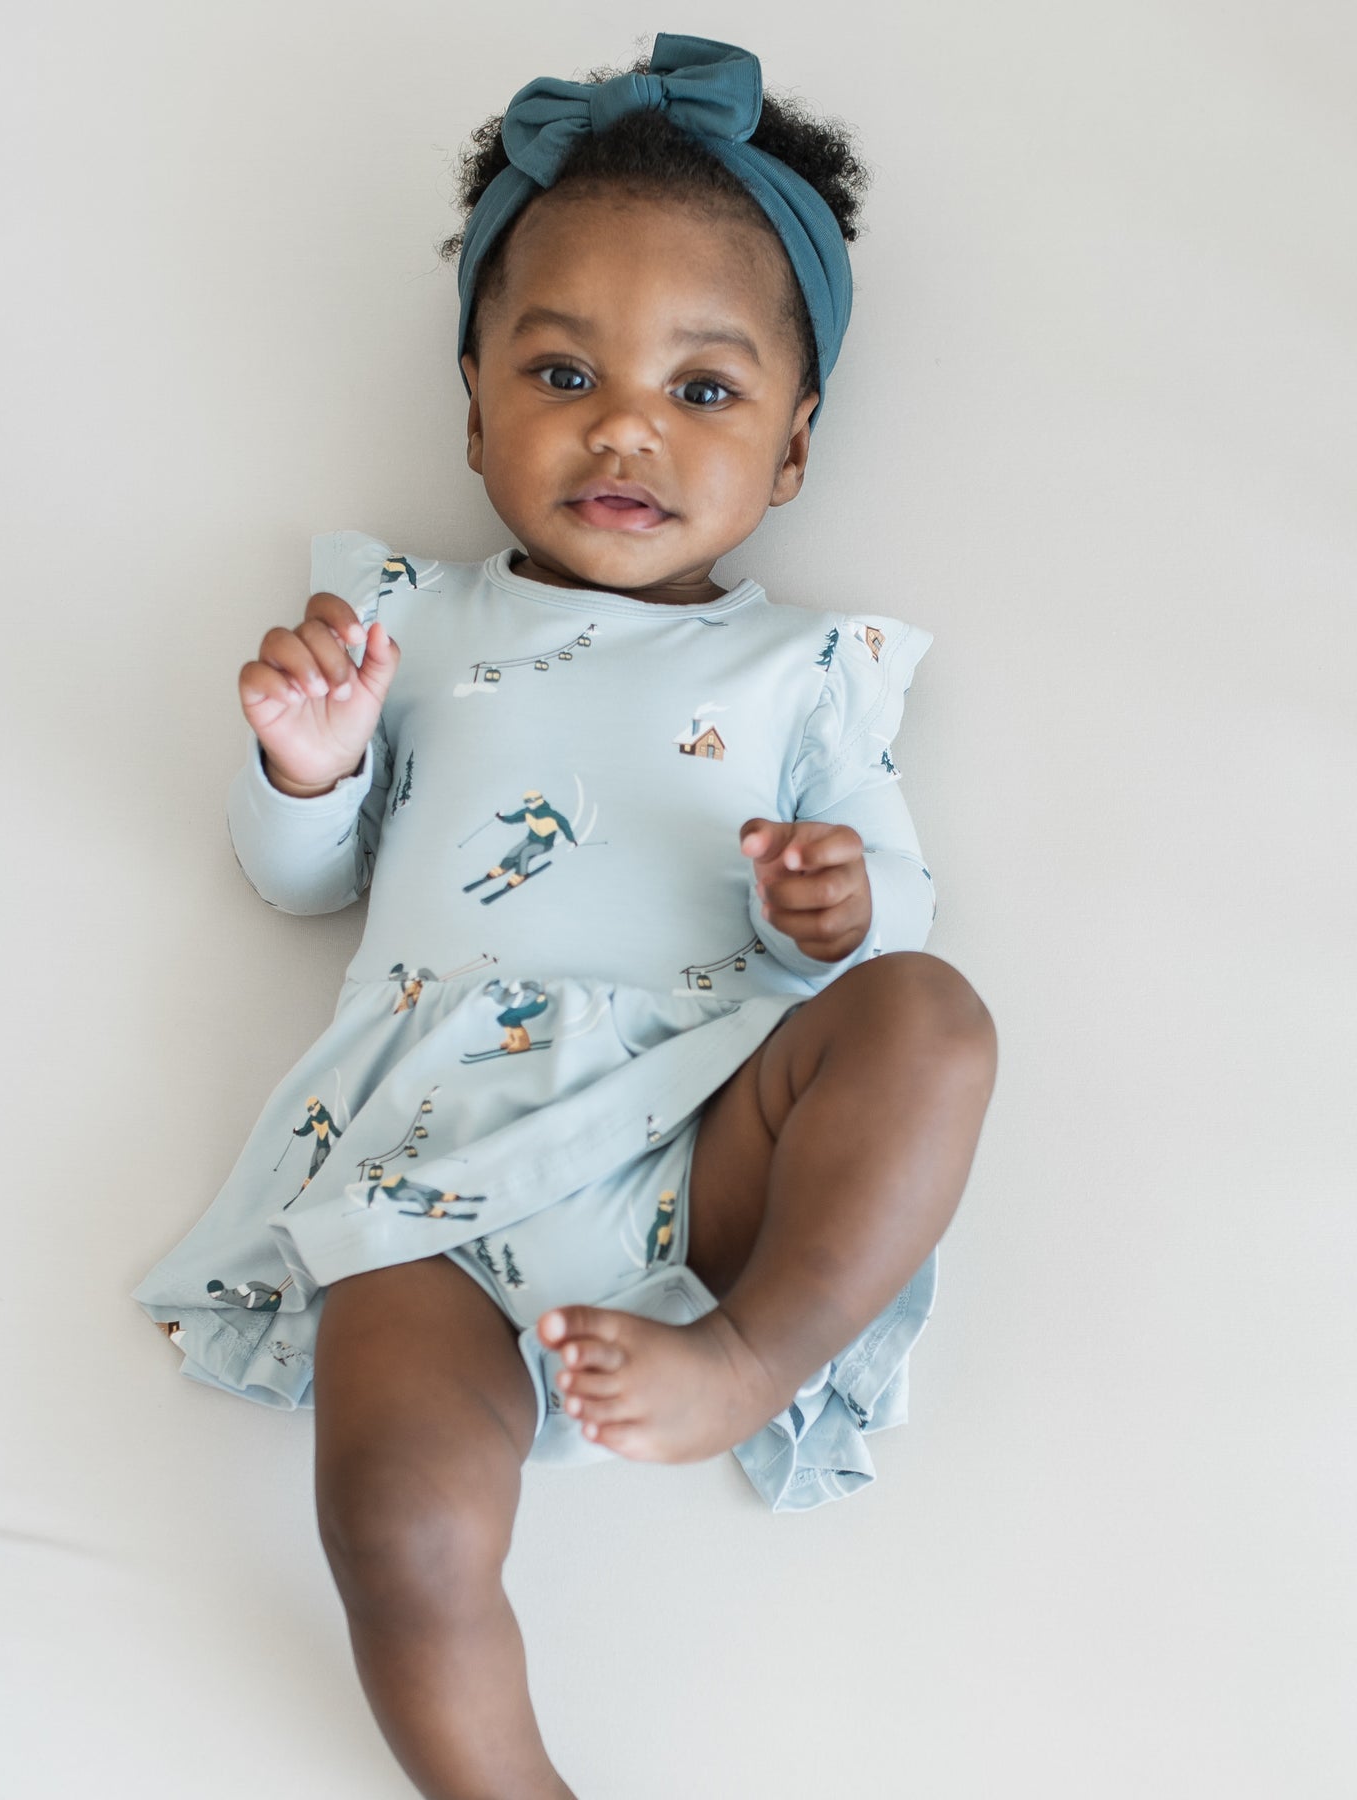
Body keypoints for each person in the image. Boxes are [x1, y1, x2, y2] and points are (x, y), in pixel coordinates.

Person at [132, 33, 998, 1798]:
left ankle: (748, 1359)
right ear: (470, 408)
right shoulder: (406, 623)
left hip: (706, 1122)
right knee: (390, 1515)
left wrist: (842, 910)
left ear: (795, 445)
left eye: (703, 390)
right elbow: (310, 881)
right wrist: (305, 766)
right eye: (559, 369)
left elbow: (888, 914)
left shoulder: (802, 668)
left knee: (935, 1022)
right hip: (432, 1175)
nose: (622, 427)